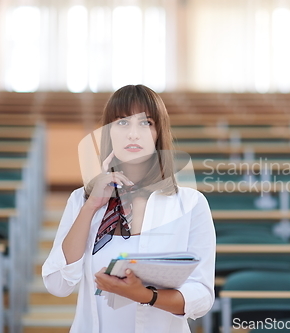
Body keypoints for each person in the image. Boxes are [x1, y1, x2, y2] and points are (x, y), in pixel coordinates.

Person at [42, 84, 216, 333]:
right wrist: (91, 206)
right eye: (122, 122)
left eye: (145, 123)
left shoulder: (190, 203)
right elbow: (58, 284)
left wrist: (145, 295)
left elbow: (201, 296)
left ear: (158, 133)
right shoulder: (82, 199)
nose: (133, 134)